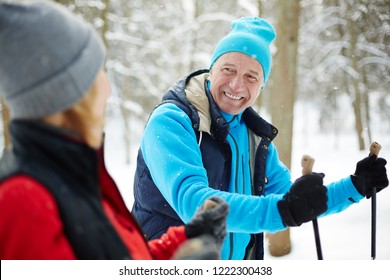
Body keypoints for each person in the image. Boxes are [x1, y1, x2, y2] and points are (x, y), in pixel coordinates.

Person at [131, 16, 389, 260]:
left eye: (251, 76)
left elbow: (296, 201)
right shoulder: (172, 121)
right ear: (211, 70)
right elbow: (194, 203)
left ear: (261, 86)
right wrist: (282, 210)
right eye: (228, 69)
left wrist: (355, 186)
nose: (236, 85)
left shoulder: (254, 137)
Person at [0, 0, 229, 260]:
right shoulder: (23, 202)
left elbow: (119, 259)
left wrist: (187, 239)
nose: (107, 88)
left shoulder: (70, 174)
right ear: (66, 95)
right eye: (96, 74)